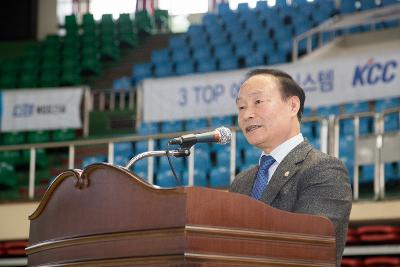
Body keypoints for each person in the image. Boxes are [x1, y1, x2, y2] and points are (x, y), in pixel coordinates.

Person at [230, 68, 352, 266]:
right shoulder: (241, 182)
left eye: (258, 102)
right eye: (241, 107)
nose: (247, 115)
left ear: (293, 106)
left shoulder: (323, 169)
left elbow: (308, 246)